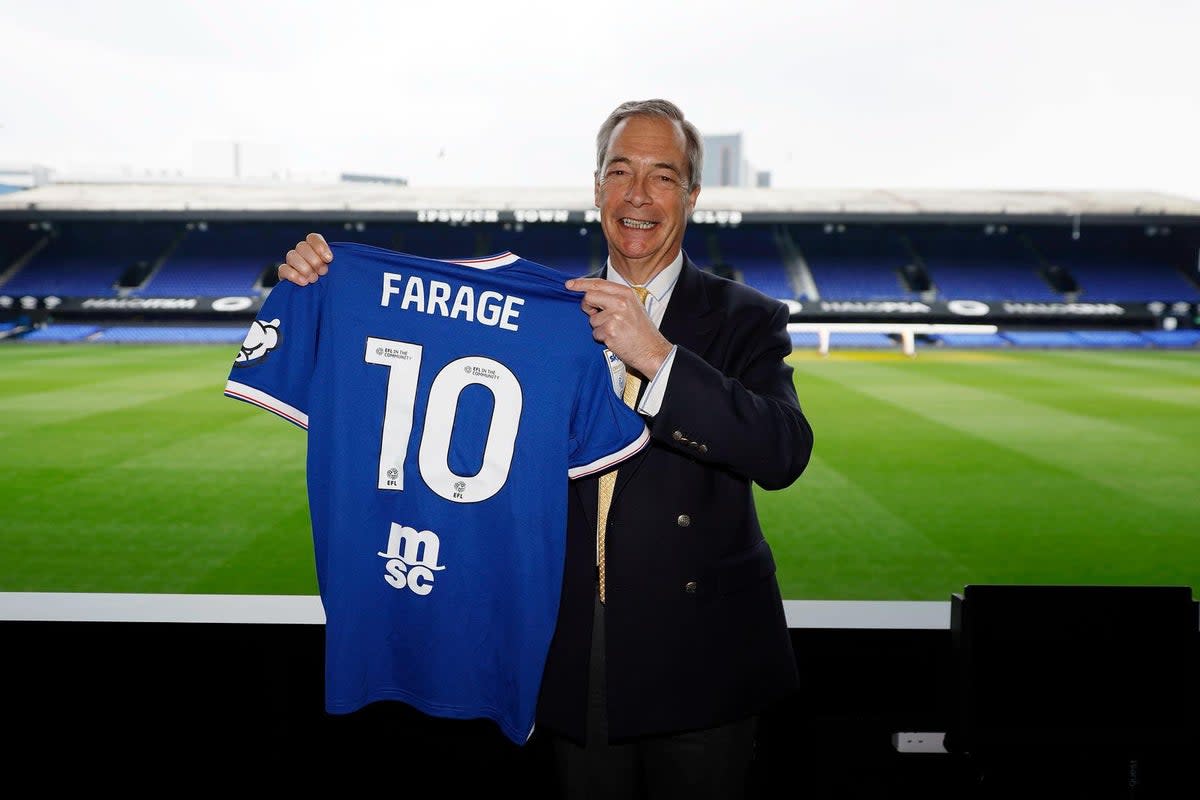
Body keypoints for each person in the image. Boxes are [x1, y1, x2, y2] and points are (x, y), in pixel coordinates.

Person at [278, 98, 814, 799]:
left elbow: (783, 452)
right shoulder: (541, 311)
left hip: (703, 655)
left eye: (662, 176)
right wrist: (323, 289)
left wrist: (658, 358)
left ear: (692, 195)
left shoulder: (747, 317)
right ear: (596, 187)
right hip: (570, 648)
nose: (637, 195)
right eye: (619, 171)